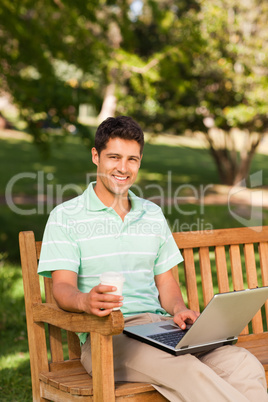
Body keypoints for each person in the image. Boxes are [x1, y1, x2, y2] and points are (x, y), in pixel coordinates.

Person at [38, 116, 268, 401]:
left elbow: (166, 283)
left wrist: (179, 310)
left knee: (241, 363)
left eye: (132, 159)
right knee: (185, 369)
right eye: (114, 157)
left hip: (161, 328)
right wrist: (85, 301)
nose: (123, 168)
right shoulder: (66, 217)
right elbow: (61, 288)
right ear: (95, 156)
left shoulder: (151, 214)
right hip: (110, 337)